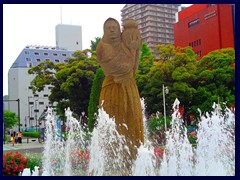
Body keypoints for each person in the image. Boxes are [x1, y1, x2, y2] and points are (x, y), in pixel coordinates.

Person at [96, 18, 144, 175]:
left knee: (133, 124)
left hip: (130, 88)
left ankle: (132, 163)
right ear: (104, 30)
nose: (112, 30)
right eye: (109, 27)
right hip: (112, 90)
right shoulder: (102, 48)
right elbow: (117, 69)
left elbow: (133, 70)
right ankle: (111, 166)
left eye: (115, 27)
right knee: (113, 127)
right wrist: (132, 52)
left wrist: (136, 50)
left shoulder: (125, 46)